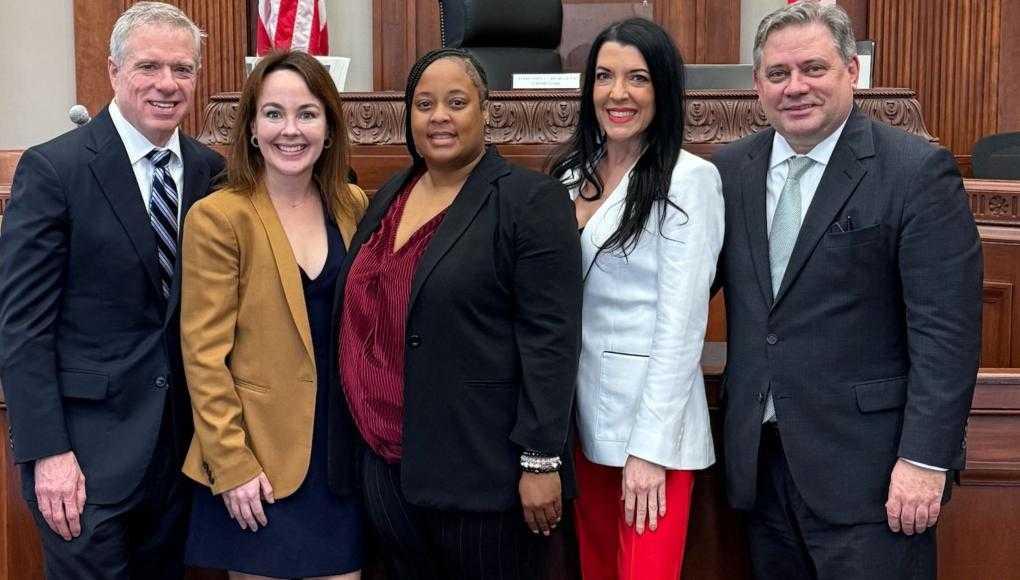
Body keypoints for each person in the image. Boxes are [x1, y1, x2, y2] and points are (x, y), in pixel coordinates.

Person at [711, 2, 983, 579]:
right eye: (778, 74)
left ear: (852, 72)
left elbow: (947, 335)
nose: (796, 87)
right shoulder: (729, 171)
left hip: (874, 478)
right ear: (757, 84)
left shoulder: (915, 171)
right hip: (759, 469)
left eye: (814, 68)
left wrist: (925, 460)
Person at [336, 48, 582, 580]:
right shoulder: (389, 196)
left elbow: (552, 339)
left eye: (456, 102)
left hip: (482, 472)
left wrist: (541, 460)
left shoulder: (529, 201)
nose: (439, 116)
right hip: (386, 463)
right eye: (424, 104)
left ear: (485, 111)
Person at [0, 3, 224, 577]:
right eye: (149, 66)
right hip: (82, 462)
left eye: (183, 69)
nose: (167, 85)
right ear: (114, 71)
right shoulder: (55, 169)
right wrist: (47, 453)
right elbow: (22, 327)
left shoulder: (210, 172)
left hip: (180, 457)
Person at [178, 50, 368, 579]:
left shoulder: (352, 205)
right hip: (257, 463)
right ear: (252, 128)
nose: (291, 130)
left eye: (307, 113)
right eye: (273, 113)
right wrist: (232, 464)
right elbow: (203, 356)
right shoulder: (219, 216)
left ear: (329, 128)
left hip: (340, 462)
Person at [547, 18, 724, 580]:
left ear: (663, 90)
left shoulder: (688, 178)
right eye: (603, 77)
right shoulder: (570, 175)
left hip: (650, 435)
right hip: (580, 419)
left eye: (637, 78)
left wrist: (650, 450)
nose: (617, 93)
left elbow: (681, 325)